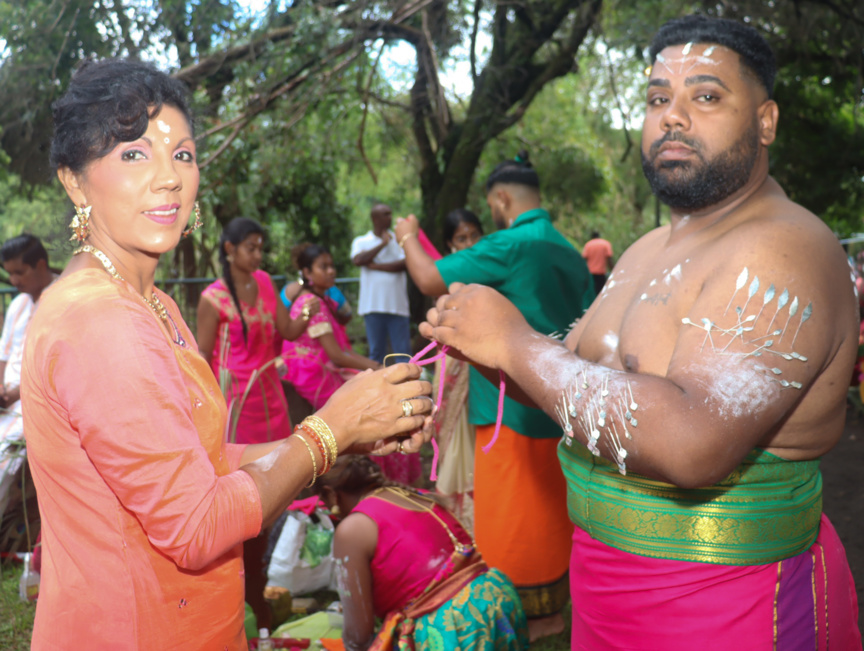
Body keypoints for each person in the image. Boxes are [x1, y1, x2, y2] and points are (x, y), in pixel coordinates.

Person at [420, 15, 861, 649]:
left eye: (705, 96)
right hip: (601, 588)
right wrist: (480, 347)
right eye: (658, 98)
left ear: (766, 121)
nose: (672, 117)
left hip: (729, 604)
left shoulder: (785, 248)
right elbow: (573, 392)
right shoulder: (648, 248)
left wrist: (516, 343)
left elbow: (690, 443)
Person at [22, 58, 433, 650]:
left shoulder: (149, 301)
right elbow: (196, 523)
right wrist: (325, 432)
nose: (169, 178)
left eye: (182, 155)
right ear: (74, 180)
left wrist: (346, 435)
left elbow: (202, 458)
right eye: (134, 154)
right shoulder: (99, 320)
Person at [395, 152, 595, 640]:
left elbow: (428, 278)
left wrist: (406, 234)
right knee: (552, 508)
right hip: (566, 403)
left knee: (512, 516)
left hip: (511, 406)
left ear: (501, 199)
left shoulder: (511, 244)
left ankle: (515, 614)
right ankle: (555, 610)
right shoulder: (569, 251)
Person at [315, 455, 529, 651]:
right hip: (494, 601)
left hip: (453, 628)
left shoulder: (353, 528)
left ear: (332, 495)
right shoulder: (412, 495)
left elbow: (358, 638)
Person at [197, 216, 310, 445]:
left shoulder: (265, 281)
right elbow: (204, 356)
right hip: (235, 399)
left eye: (260, 249)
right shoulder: (212, 299)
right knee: (242, 463)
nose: (258, 255)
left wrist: (307, 313)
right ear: (230, 248)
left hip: (270, 392)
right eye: (251, 249)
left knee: (279, 458)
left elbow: (287, 330)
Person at [431, 209, 484, 529]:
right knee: (453, 431)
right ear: (450, 245)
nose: (469, 244)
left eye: (474, 236)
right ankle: (458, 519)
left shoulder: (490, 274)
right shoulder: (449, 284)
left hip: (483, 372)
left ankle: (479, 513)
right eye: (461, 239)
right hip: (454, 366)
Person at [281, 242, 380, 409]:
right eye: (323, 267)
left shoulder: (319, 299)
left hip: (309, 367)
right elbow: (337, 357)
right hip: (313, 374)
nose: (331, 271)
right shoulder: (313, 304)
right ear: (307, 272)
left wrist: (375, 366)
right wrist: (378, 367)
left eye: (331, 266)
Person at [0, 235, 56, 513]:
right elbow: (4, 355)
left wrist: (16, 393)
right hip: (7, 400)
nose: (13, 280)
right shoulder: (18, 305)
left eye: (19, 272)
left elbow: (57, 370)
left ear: (41, 265)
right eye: (9, 273)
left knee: (2, 462)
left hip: (37, 403)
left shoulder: (64, 298)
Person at [351, 203, 411, 364]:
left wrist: (375, 266)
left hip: (398, 307)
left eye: (390, 213)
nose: (389, 217)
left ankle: (408, 388)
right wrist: (383, 244)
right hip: (372, 306)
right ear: (374, 218)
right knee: (376, 352)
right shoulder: (361, 241)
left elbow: (405, 264)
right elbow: (358, 260)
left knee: (403, 353)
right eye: (385, 214)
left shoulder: (400, 240)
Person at [581, 230, 614, 295]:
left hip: (590, 274)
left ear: (592, 237)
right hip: (601, 273)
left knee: (592, 293)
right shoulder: (605, 244)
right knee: (600, 292)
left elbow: (584, 259)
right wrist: (613, 270)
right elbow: (609, 259)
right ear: (599, 236)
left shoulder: (588, 245)